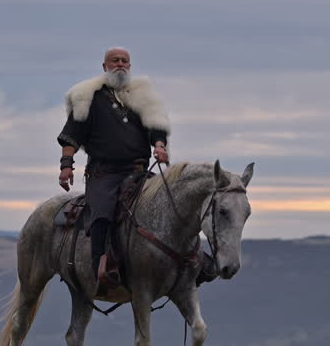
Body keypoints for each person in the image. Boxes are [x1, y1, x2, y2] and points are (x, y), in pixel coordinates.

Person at [56, 47, 216, 291]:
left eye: (124, 61)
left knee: (171, 203)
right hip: (104, 174)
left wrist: (160, 146)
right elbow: (72, 136)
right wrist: (66, 166)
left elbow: (156, 128)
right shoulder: (88, 97)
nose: (120, 64)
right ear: (104, 66)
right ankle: (100, 268)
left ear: (129, 66)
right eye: (115, 61)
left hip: (139, 172)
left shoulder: (142, 97)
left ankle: (194, 262)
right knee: (101, 214)